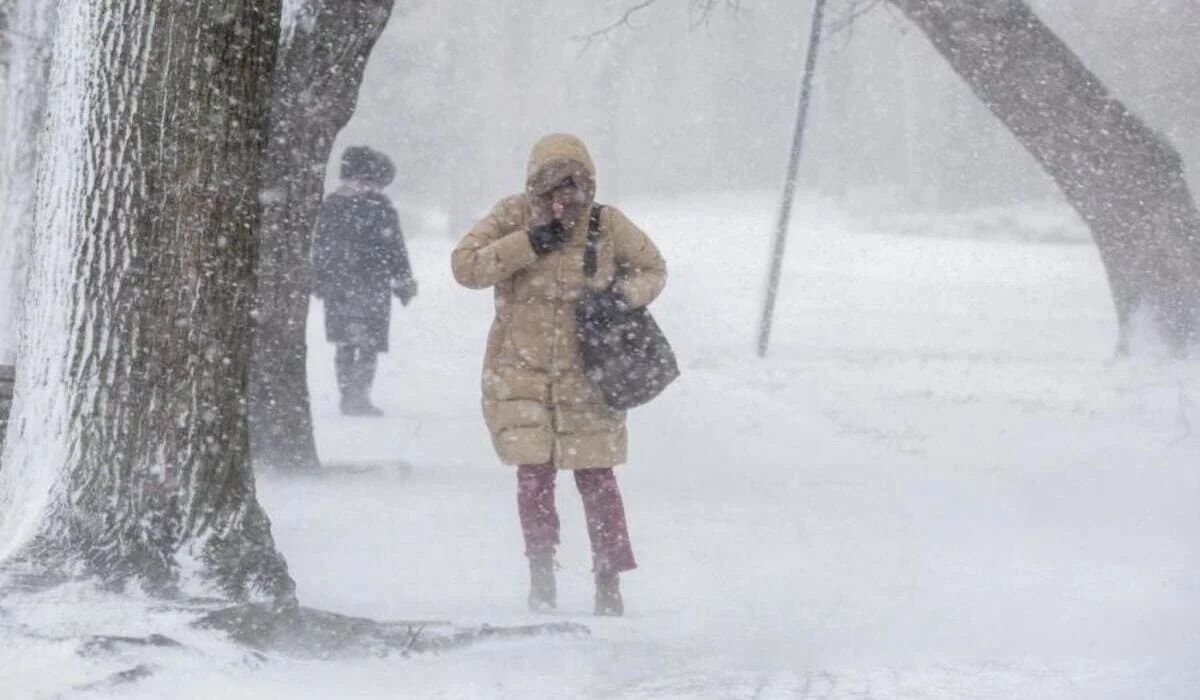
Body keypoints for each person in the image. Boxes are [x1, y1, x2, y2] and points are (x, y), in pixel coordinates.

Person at [451, 133, 667, 616]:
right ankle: (541, 573)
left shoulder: (607, 224)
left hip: (589, 374)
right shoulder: (512, 217)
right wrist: (528, 242)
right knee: (534, 476)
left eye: (573, 184)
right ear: (534, 186)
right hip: (518, 372)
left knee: (597, 479)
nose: (562, 196)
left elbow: (653, 269)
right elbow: (465, 267)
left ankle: (609, 579)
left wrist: (620, 296)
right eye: (551, 185)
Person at [313, 146, 417, 417]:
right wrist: (403, 278)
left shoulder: (331, 206)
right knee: (365, 344)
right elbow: (395, 247)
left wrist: (322, 278)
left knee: (348, 343)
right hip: (370, 285)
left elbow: (321, 247)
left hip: (345, 286)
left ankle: (351, 395)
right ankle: (357, 396)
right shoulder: (379, 208)